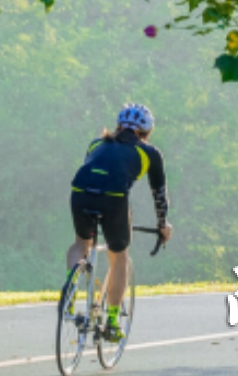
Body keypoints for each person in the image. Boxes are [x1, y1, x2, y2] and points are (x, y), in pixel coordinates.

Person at [67, 103, 172, 341]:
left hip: (80, 192)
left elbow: (91, 169)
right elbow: (159, 195)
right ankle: (112, 322)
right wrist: (163, 225)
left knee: (81, 244)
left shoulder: (97, 143)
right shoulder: (150, 153)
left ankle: (69, 295)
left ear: (119, 125)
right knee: (119, 256)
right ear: (145, 132)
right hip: (113, 200)